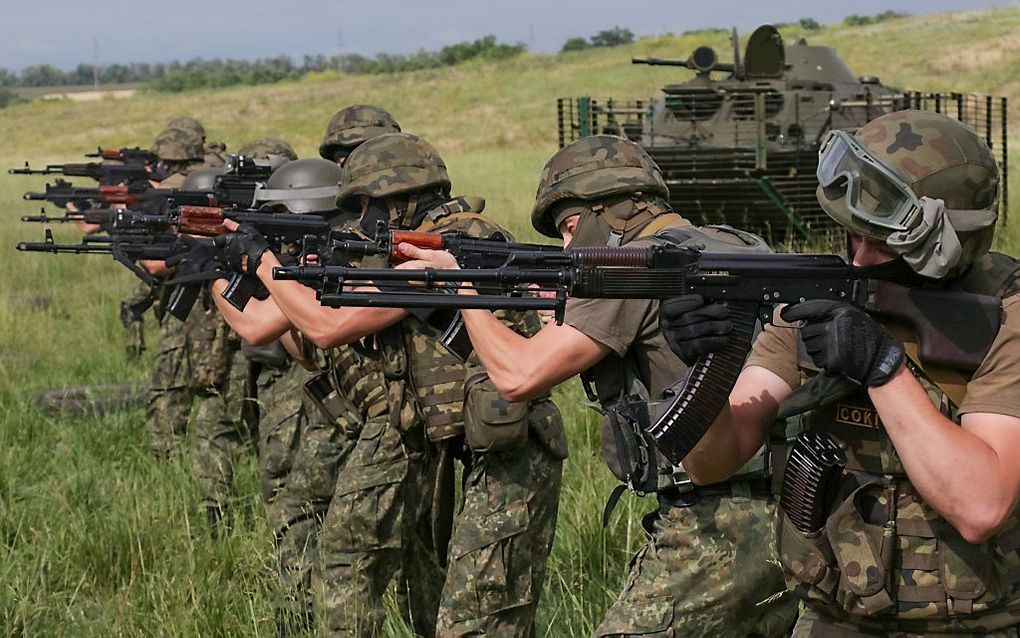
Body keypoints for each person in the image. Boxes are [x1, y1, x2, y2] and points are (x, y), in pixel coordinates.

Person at [396, 134, 797, 636]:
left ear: (613, 213)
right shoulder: (734, 243)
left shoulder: (633, 265)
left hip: (716, 524)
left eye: (569, 228)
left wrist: (464, 292)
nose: (567, 247)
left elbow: (519, 377)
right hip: (797, 505)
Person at [660, 110, 1020, 636]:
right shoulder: (817, 301)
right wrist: (708, 363)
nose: (859, 260)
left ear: (951, 244)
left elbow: (980, 505)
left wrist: (883, 370)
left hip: (982, 624)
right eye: (853, 235)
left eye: (885, 242)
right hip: (833, 618)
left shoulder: (1005, 317)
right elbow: (714, 464)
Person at [220, 132, 566, 636]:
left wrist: (264, 262)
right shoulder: (403, 248)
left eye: (365, 205)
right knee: (412, 575)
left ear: (397, 197)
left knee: (479, 608)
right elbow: (312, 339)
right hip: (428, 433)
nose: (360, 220)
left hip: (500, 442)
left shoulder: (452, 246)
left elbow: (328, 325)